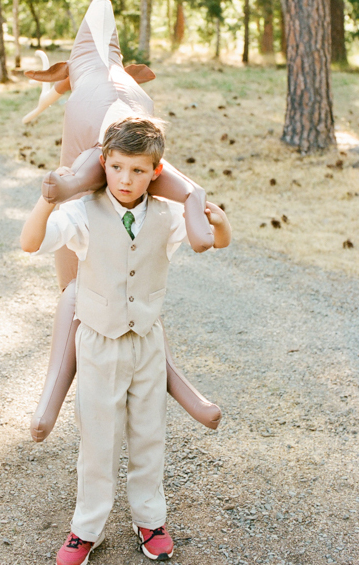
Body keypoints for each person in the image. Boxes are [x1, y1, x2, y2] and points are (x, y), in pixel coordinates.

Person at [21, 116, 231, 564]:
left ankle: (150, 519)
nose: (126, 179)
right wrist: (46, 201)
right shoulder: (82, 212)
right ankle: (86, 528)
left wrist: (216, 218)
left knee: (149, 435)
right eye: (117, 167)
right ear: (103, 163)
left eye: (138, 170)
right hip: (97, 343)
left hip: (148, 344)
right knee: (99, 440)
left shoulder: (167, 215)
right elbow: (30, 242)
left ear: (156, 171)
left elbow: (209, 240)